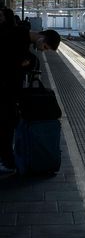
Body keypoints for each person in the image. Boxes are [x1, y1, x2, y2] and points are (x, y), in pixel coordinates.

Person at [0, 25, 61, 176]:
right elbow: (11, 65)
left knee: (9, 124)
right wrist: (28, 62)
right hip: (5, 91)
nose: (43, 50)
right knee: (6, 126)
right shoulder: (17, 38)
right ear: (42, 38)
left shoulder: (23, 41)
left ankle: (8, 159)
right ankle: (7, 163)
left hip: (10, 92)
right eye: (45, 47)